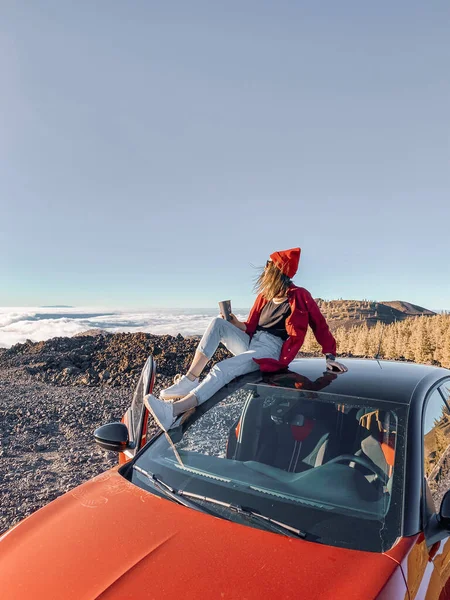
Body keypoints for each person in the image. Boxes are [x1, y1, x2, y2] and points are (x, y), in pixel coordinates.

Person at [145, 247, 347, 431]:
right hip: (253, 342)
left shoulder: (300, 296)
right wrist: (233, 322)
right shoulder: (264, 296)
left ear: (278, 271)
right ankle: (190, 380)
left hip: (271, 350)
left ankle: (172, 412)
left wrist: (330, 356)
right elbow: (250, 327)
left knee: (223, 369)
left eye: (269, 266)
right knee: (218, 323)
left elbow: (320, 325)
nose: (265, 270)